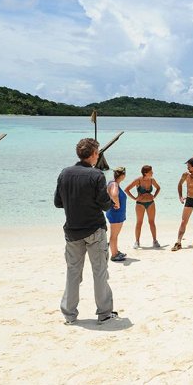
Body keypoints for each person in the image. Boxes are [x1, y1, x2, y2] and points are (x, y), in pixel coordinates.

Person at [54, 138, 118, 325]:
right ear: (92, 155)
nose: (98, 156)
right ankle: (104, 313)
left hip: (72, 231)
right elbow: (104, 205)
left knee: (73, 272)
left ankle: (69, 314)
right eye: (97, 153)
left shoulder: (64, 173)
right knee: (99, 272)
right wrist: (111, 200)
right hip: (94, 230)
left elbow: (58, 202)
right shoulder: (97, 175)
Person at [124, 165, 161, 249]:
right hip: (140, 204)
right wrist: (135, 198)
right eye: (151, 172)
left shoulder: (152, 180)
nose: (152, 173)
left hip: (151, 203)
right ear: (145, 173)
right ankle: (137, 241)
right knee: (139, 222)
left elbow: (158, 188)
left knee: (152, 222)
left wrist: (154, 196)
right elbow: (126, 189)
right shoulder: (138, 180)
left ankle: (155, 241)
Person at [105, 166, 128, 262]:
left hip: (114, 213)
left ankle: (116, 251)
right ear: (122, 175)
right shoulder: (114, 184)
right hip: (116, 213)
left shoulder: (112, 183)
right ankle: (114, 255)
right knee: (114, 235)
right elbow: (114, 195)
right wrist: (117, 203)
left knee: (115, 235)